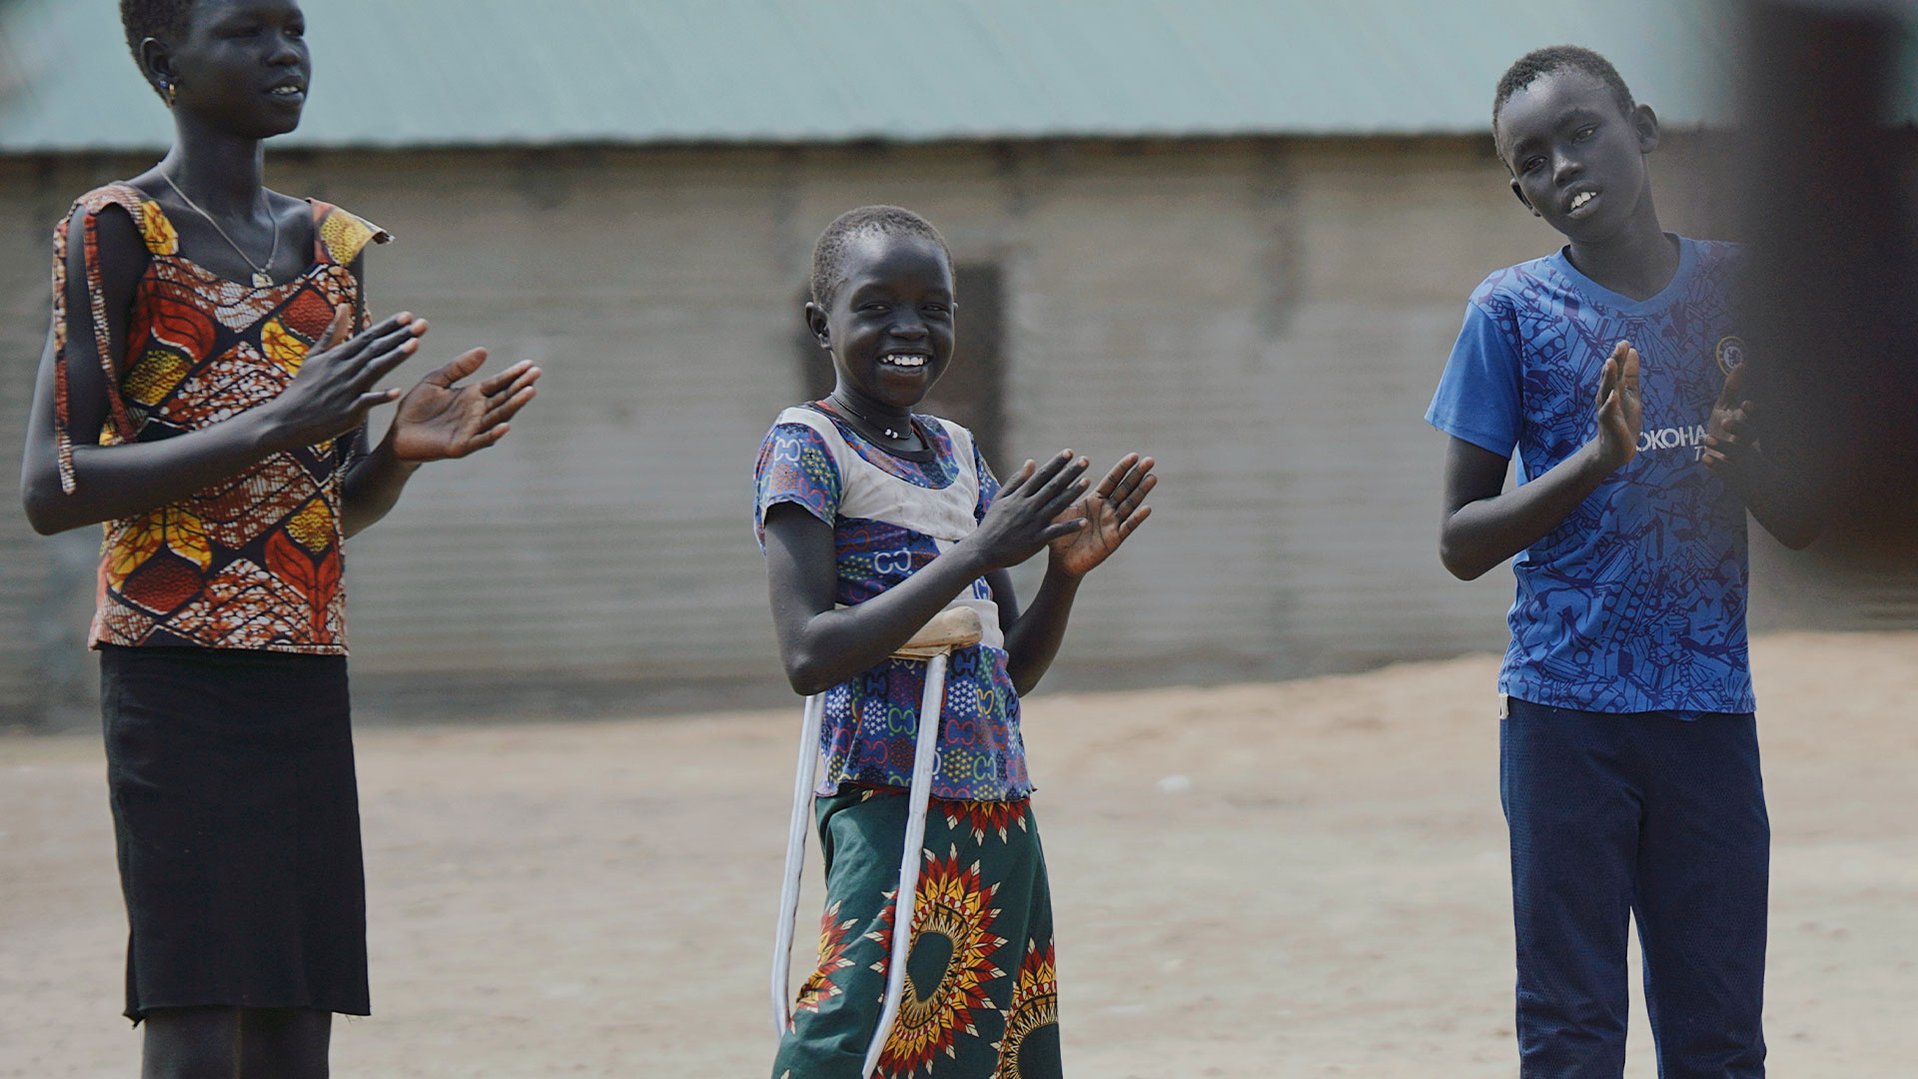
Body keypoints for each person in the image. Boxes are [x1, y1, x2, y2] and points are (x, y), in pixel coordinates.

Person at [17, 1, 540, 1075]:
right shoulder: (118, 229)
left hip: (301, 666)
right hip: (171, 670)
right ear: (164, 61)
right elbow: (52, 484)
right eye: (246, 31)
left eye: (293, 27)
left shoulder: (332, 249)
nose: (284, 52)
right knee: (200, 1007)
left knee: (298, 1018)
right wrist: (277, 421)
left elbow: (314, 514)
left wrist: (393, 457)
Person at [1425, 46, 1818, 1078]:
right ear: (1522, 193)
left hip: (1707, 712)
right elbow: (1459, 540)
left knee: (1720, 1032)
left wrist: (1750, 469)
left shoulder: (1743, 290)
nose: (1563, 164)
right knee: (1570, 1030)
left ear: (1641, 128)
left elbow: (1810, 519)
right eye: (1534, 159)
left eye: (1582, 131)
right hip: (1563, 719)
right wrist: (1595, 462)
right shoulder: (1507, 313)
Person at [755, 205, 1154, 1079]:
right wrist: (977, 549)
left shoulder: (958, 454)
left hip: (996, 796)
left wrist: (1064, 574)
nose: (910, 330)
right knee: (853, 1024)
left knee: (994, 1039)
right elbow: (808, 654)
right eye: (878, 307)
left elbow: (1007, 670)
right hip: (883, 792)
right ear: (822, 323)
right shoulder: (807, 447)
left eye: (933, 308)